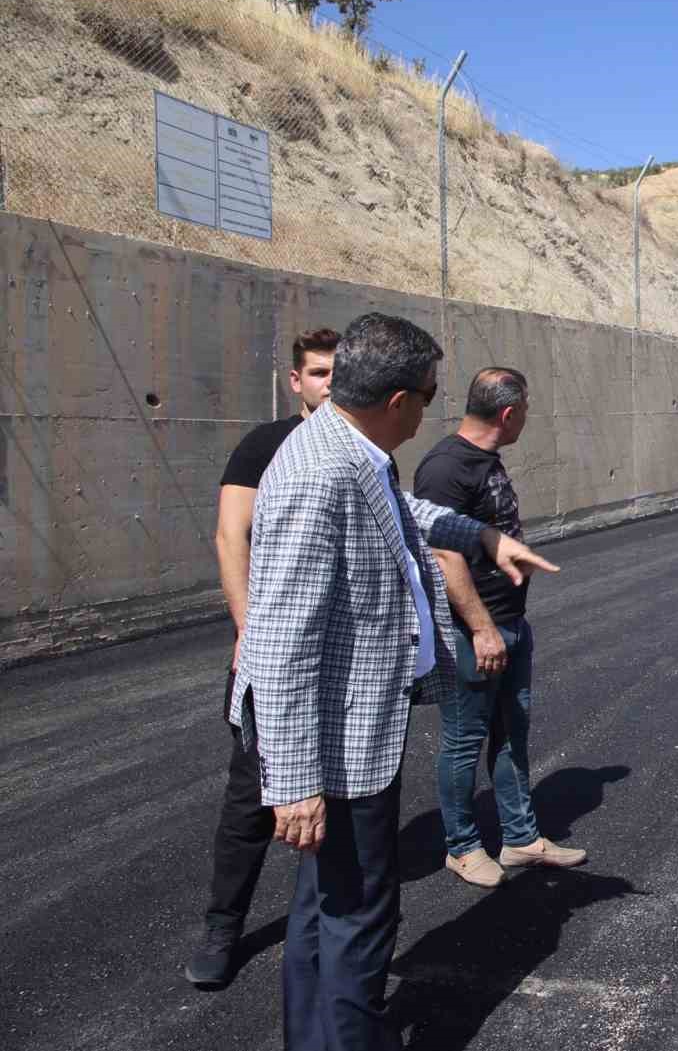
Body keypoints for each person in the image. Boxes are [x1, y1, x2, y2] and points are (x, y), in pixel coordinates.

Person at [229, 313, 559, 1050]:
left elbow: (401, 511)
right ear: (400, 400)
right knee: (360, 913)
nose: (432, 409)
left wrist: (481, 534)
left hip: (348, 730)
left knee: (326, 906)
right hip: (332, 746)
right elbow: (278, 642)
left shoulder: (348, 448)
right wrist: (295, 782)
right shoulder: (322, 471)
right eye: (431, 394)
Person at [187, 327, 339, 989]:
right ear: (296, 381)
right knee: (250, 800)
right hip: (270, 662)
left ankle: (322, 935)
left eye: (339, 372)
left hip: (338, 665)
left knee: (341, 801)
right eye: (319, 373)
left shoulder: (358, 450)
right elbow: (230, 538)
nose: (329, 383)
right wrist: (252, 634)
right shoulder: (264, 447)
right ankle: (224, 928)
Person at [413, 367, 587, 888]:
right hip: (475, 631)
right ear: (508, 414)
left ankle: (520, 839)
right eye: (526, 410)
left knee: (513, 733)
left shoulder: (484, 460)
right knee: (464, 739)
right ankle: (462, 847)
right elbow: (444, 556)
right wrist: (482, 628)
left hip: (510, 623)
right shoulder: (445, 467)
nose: (526, 419)